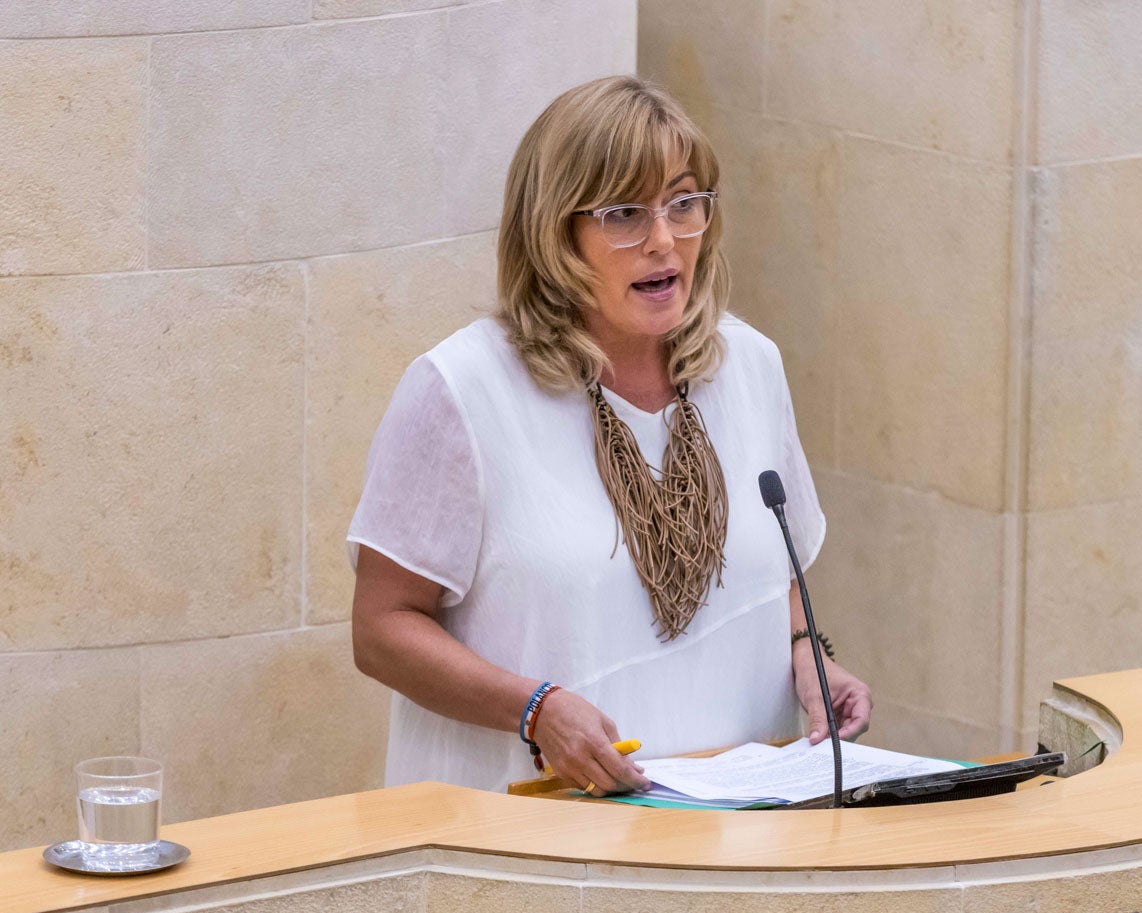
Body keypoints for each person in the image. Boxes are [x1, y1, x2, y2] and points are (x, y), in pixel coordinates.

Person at [348, 75, 872, 797]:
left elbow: (768, 580)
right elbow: (381, 629)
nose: (663, 241)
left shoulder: (750, 365)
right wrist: (535, 711)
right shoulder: (462, 389)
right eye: (624, 214)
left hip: (740, 838)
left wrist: (807, 656)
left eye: (683, 203)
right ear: (554, 231)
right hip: (531, 847)